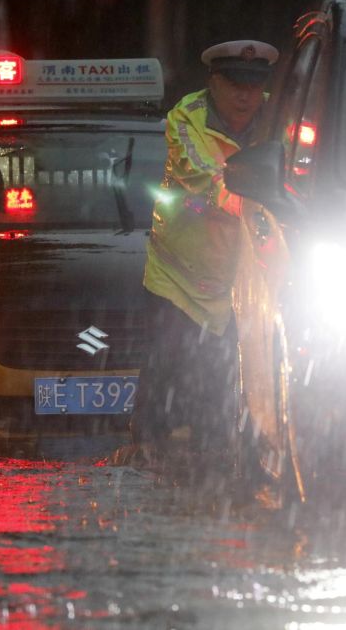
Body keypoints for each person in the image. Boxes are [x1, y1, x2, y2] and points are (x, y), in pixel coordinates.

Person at [131, 39, 279, 458]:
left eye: (254, 85)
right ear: (213, 82)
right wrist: (271, 199)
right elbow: (207, 183)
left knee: (226, 375)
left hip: (243, 275)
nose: (245, 96)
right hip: (179, 276)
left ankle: (219, 458)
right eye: (234, 84)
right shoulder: (186, 118)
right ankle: (146, 452)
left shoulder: (280, 114)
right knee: (166, 368)